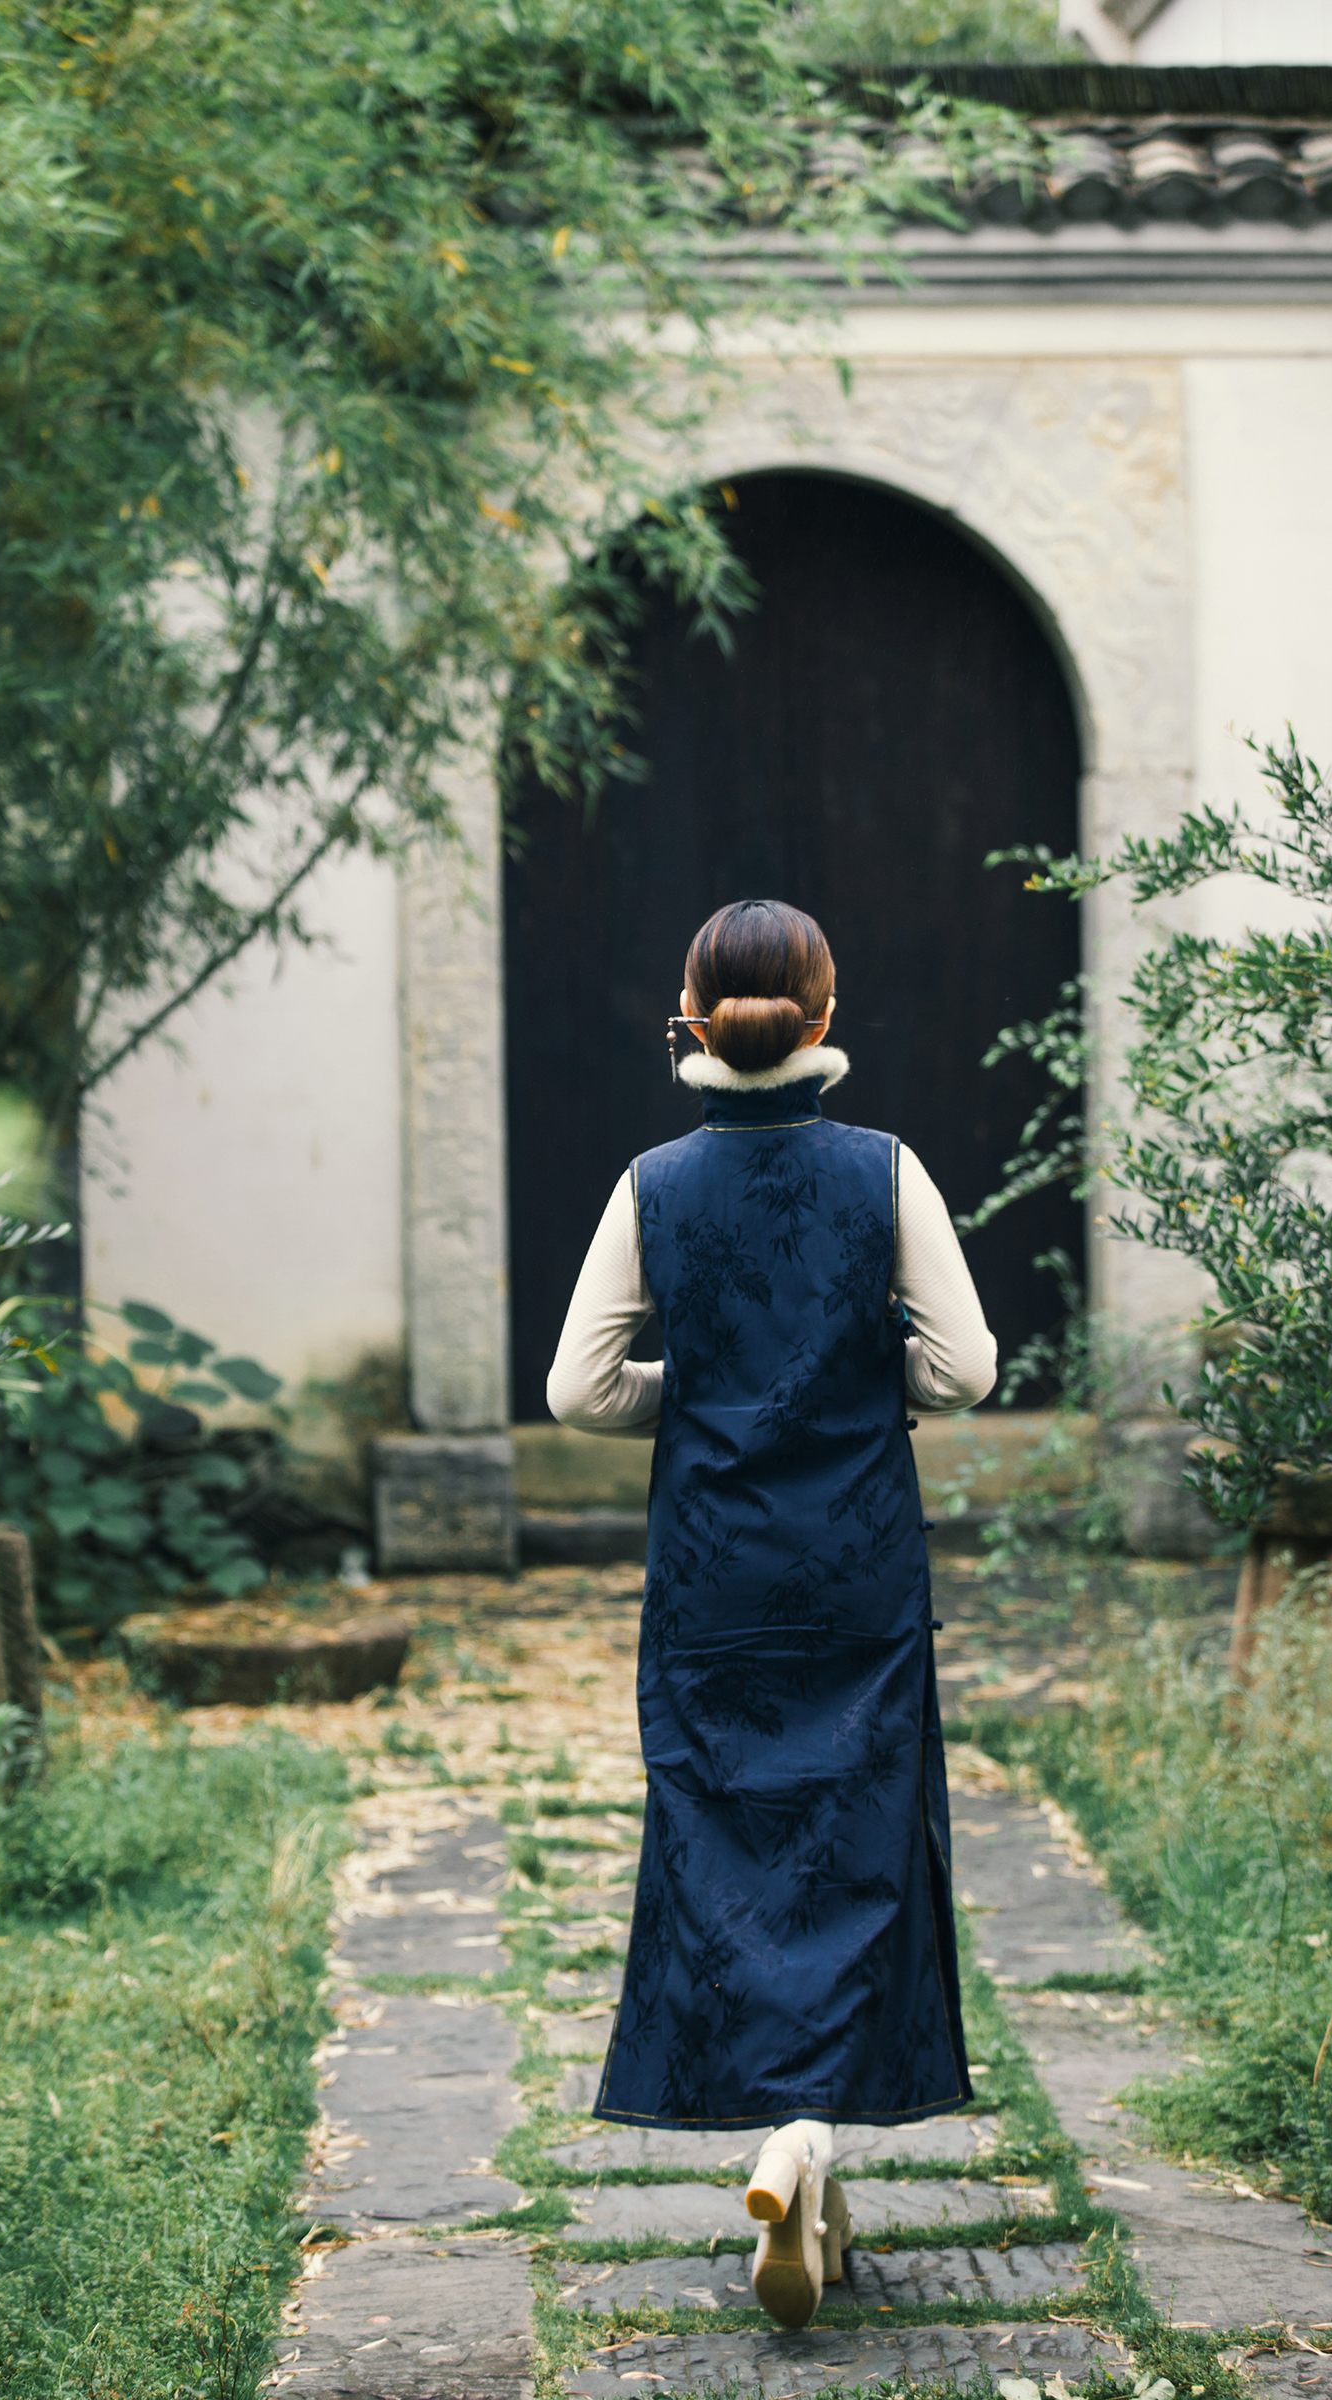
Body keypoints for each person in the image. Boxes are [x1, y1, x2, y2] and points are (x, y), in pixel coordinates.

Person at [546, 898, 997, 2330]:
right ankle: (802, 2146)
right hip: (858, 1572)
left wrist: (714, 1398)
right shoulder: (887, 1170)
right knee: (859, 1848)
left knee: (722, 1846)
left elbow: (579, 1391)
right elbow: (969, 1369)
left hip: (712, 1579)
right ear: (824, 1009)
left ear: (689, 1013)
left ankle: (795, 2160)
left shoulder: (651, 1183)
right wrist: (851, 1390)